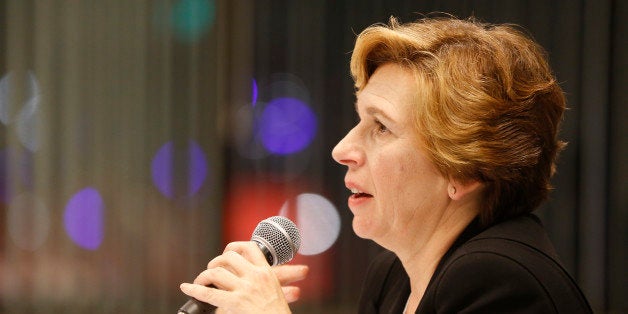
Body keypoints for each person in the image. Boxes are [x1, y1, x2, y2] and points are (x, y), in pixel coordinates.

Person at [179, 16, 593, 313]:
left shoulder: (499, 281)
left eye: (381, 127)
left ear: (463, 169)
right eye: (360, 119)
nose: (342, 149)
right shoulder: (393, 277)